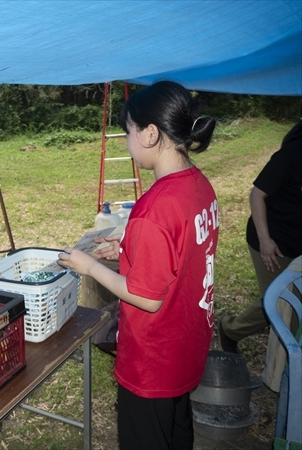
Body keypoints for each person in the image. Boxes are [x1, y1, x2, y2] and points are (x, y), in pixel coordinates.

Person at [57, 81, 218, 449]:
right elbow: (181, 252)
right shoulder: (198, 185)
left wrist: (91, 267)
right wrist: (130, 246)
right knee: (176, 433)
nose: (127, 142)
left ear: (149, 134)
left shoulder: (154, 206)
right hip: (186, 346)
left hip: (153, 359)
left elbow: (147, 298)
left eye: (127, 132)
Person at [218, 118, 302, 391]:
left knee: (292, 302)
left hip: (296, 242)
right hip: (271, 239)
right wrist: (265, 241)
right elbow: (257, 195)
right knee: (278, 301)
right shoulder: (291, 155)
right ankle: (231, 329)